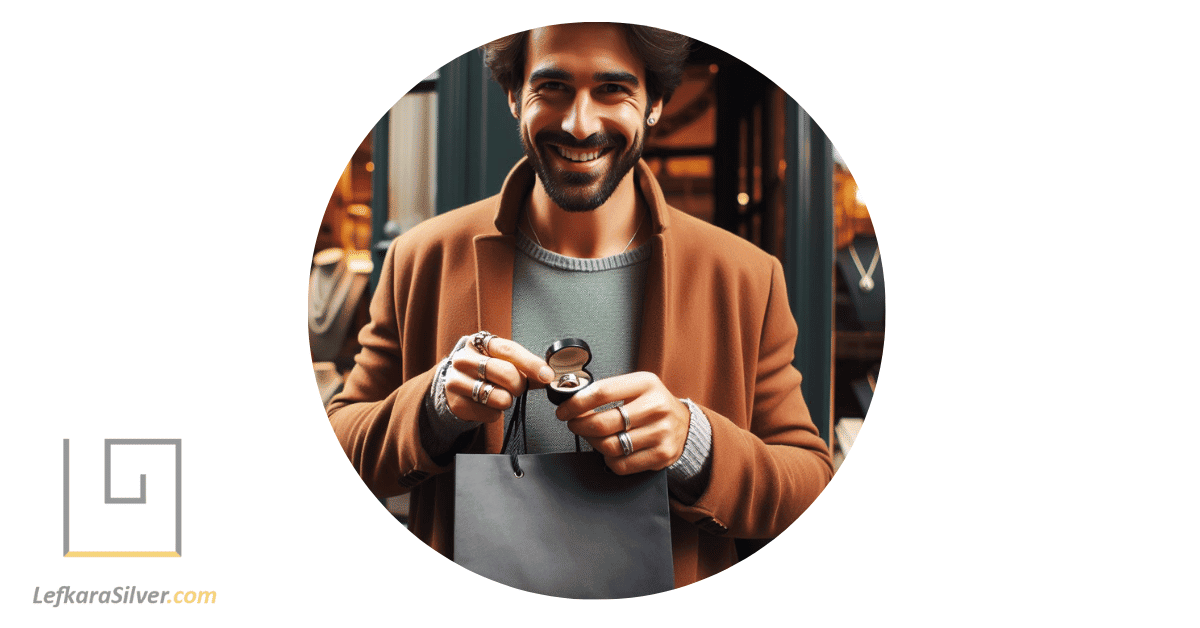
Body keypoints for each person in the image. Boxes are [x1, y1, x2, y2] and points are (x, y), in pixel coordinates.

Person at [326, 21, 833, 588]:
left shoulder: (744, 276)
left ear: (656, 102)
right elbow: (340, 447)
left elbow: (810, 488)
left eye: (613, 90)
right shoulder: (421, 259)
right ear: (515, 96)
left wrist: (695, 444)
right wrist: (434, 406)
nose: (579, 123)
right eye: (553, 88)